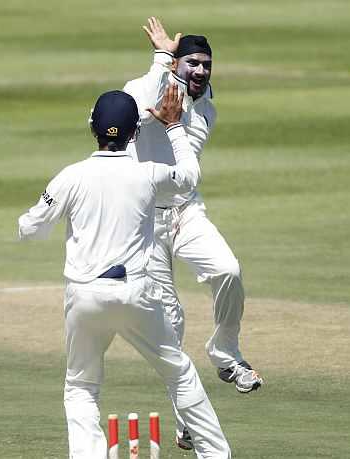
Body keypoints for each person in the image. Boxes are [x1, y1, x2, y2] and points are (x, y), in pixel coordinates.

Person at [18, 86, 231, 459]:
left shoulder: (71, 176)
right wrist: (174, 126)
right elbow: (189, 175)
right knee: (178, 372)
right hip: (137, 294)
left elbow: (30, 229)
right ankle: (215, 455)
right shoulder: (146, 174)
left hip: (85, 296)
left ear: (92, 126)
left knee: (81, 387)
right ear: (134, 133)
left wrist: (43, 212)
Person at [123, 18, 263, 449]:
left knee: (228, 270)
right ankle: (188, 418)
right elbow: (136, 103)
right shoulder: (145, 89)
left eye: (207, 65)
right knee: (172, 323)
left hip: (185, 211)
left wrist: (180, 81)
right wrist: (163, 57)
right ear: (176, 65)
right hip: (144, 222)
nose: (201, 71)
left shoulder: (207, 106)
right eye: (193, 64)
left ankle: (224, 353)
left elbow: (185, 166)